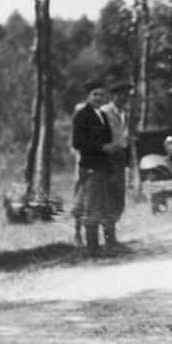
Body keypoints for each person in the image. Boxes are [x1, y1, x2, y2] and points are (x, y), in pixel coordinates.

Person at [71, 79, 116, 258]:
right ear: (88, 96)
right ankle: (92, 249)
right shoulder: (82, 115)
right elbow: (78, 143)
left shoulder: (102, 115)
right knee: (91, 206)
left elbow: (108, 139)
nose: (98, 98)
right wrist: (101, 147)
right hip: (90, 166)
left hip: (102, 166)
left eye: (101, 95)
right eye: (95, 94)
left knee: (102, 206)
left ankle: (106, 245)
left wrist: (109, 148)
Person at [100, 81, 132, 249]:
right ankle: (109, 238)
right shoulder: (104, 111)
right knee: (109, 196)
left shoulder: (124, 112)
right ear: (113, 95)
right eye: (121, 94)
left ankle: (112, 237)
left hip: (120, 156)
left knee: (119, 197)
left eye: (127, 95)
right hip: (108, 157)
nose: (124, 97)